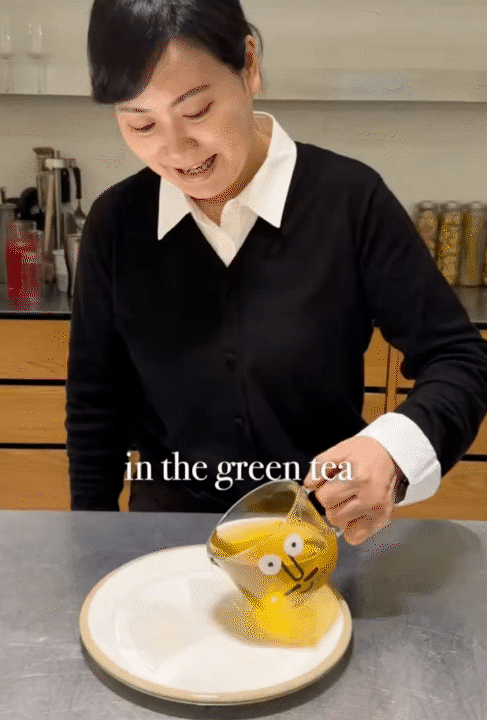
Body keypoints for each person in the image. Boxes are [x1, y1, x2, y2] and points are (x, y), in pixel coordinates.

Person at [66, 0, 487, 545]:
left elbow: (459, 359)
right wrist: (91, 545)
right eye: (141, 123)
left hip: (315, 541)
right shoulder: (118, 222)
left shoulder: (349, 201)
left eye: (197, 110)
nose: (175, 150)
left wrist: (393, 449)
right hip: (165, 544)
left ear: (249, 65)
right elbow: (95, 405)